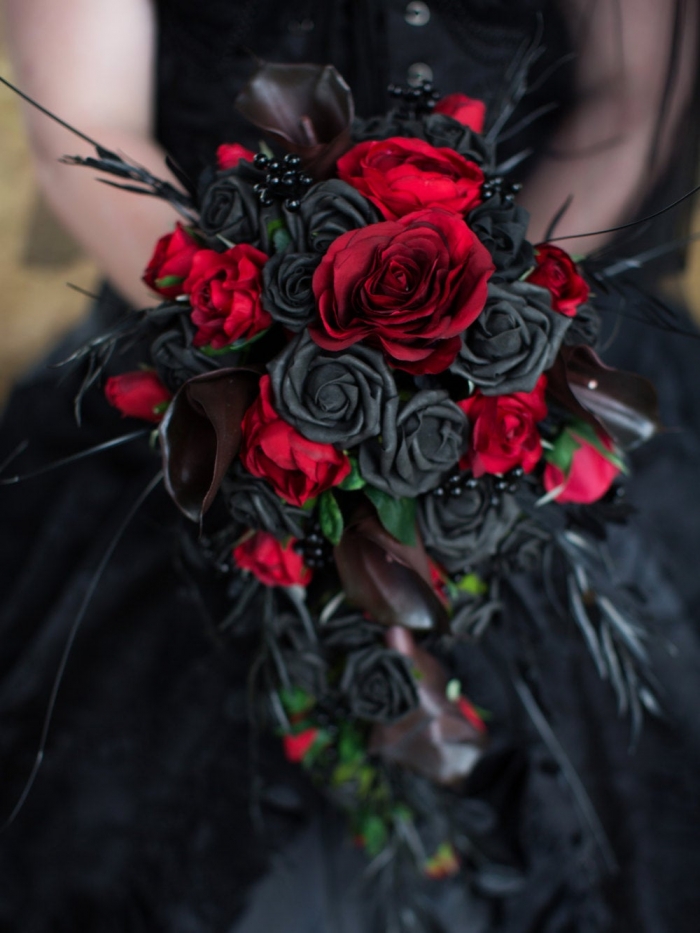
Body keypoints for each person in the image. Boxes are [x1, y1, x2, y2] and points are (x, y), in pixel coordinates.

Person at [1, 2, 700, 930]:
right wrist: (267, 351)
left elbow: (624, 113)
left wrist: (477, 337)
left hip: (545, 343)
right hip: (194, 351)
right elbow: (87, 124)